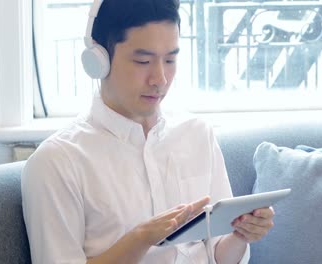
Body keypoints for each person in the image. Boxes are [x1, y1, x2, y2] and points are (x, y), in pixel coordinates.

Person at [21, 0, 275, 263]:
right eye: (143, 61)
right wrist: (141, 238)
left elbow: (218, 254)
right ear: (99, 59)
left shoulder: (197, 134)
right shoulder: (57, 162)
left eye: (170, 60)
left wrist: (241, 234)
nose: (160, 79)